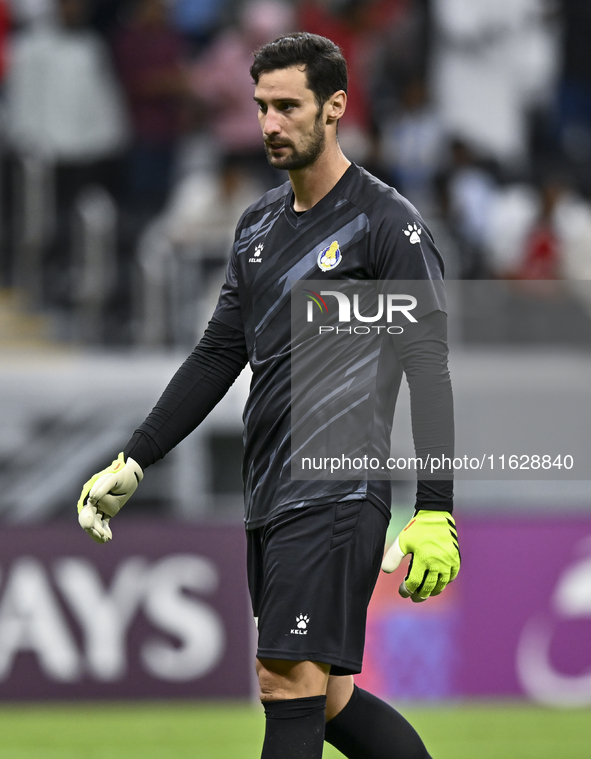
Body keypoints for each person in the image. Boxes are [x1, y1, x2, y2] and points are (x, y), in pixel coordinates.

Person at [76, 33, 460, 759]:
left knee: (284, 683)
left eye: (287, 106)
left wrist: (435, 506)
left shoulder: (385, 225)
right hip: (271, 492)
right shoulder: (255, 228)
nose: (268, 124)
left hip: (336, 489)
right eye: (260, 107)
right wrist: (137, 455)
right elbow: (220, 351)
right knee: (325, 695)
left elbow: (427, 368)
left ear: (334, 108)